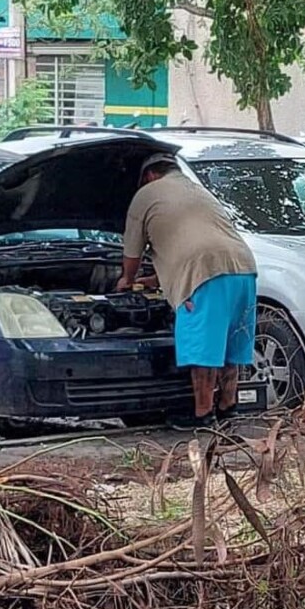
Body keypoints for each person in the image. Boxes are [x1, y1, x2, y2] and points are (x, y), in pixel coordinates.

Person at [117, 153, 257, 430]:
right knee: (231, 346)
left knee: (203, 351)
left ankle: (202, 415)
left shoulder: (146, 194)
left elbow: (131, 254)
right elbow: (192, 241)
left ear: (149, 176)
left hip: (204, 276)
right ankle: (228, 409)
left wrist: (127, 280)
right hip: (244, 269)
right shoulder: (198, 190)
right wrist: (156, 280)